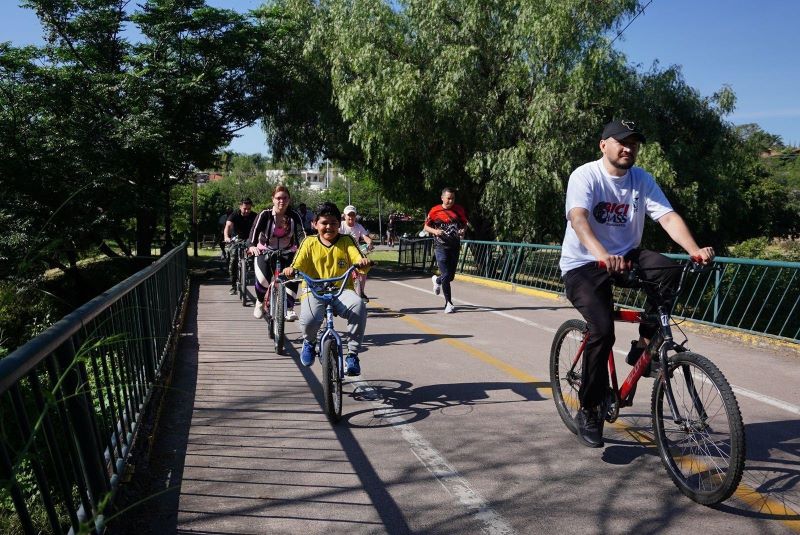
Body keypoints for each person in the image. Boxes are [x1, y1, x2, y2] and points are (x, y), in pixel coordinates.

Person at [560, 119, 715, 449]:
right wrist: (602, 254)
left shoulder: (641, 179)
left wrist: (694, 250)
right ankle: (589, 409)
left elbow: (667, 217)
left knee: (669, 271)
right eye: (622, 142)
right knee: (603, 330)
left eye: (633, 143)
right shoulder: (585, 175)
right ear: (604, 145)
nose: (628, 148)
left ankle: (644, 344)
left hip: (626, 256)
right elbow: (578, 218)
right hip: (583, 263)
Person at [282, 202, 372, 376]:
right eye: (324, 223)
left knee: (359, 306)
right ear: (315, 224)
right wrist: (291, 270)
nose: (329, 227)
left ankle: (352, 355)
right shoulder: (309, 242)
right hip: (313, 291)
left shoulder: (347, 241)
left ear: (339, 224)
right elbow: (297, 263)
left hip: (342, 291)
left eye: (333, 223)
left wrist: (362, 262)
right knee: (309, 319)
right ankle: (309, 342)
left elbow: (357, 258)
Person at [247, 186, 306, 320]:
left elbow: (301, 234)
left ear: (289, 200)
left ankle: (289, 309)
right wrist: (251, 246)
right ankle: (260, 302)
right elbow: (253, 232)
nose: (281, 201)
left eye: (285, 198)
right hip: (265, 250)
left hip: (287, 251)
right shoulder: (265, 214)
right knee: (263, 280)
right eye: (278, 198)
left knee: (292, 276)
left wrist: (305, 248)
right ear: (273, 199)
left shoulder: (294, 215)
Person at [423, 188, 469, 314]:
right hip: (440, 247)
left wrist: (463, 230)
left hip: (454, 246)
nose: (450, 201)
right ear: (442, 198)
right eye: (448, 198)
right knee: (446, 273)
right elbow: (426, 226)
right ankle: (448, 303)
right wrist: (435, 231)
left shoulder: (459, 210)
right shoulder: (435, 210)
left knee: (450, 277)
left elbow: (464, 224)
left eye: (453, 198)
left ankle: (437, 280)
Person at [340, 205, 375, 301]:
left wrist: (369, 243)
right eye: (349, 215)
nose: (351, 217)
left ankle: (361, 291)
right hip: (341, 252)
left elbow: (365, 237)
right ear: (344, 216)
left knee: (364, 266)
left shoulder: (359, 226)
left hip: (355, 253)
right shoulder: (340, 225)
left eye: (353, 215)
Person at [224, 198, 257, 294]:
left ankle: (255, 278)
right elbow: (228, 226)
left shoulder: (255, 216)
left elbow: (260, 227)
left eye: (249, 209)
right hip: (237, 239)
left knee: (256, 256)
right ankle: (233, 285)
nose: (247, 211)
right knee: (233, 259)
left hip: (250, 240)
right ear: (240, 207)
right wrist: (226, 237)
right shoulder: (234, 215)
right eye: (244, 208)